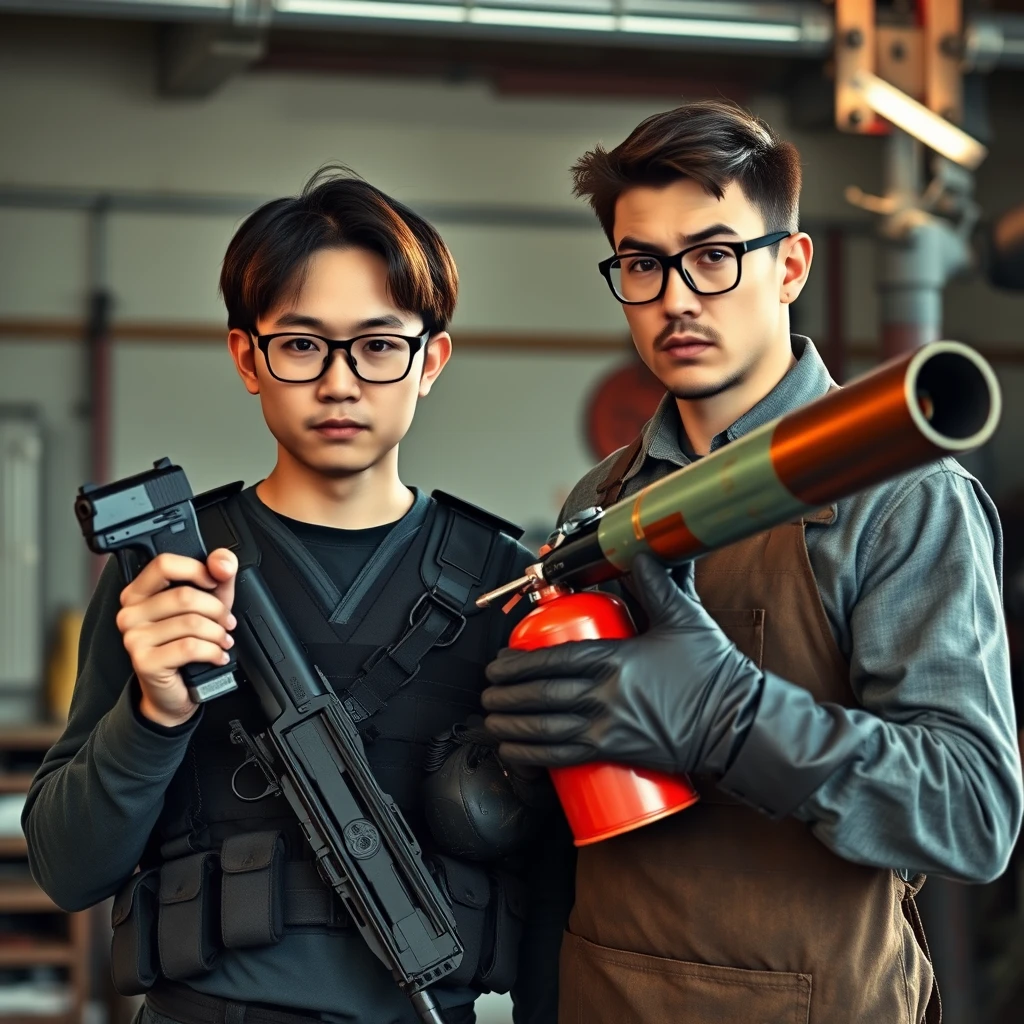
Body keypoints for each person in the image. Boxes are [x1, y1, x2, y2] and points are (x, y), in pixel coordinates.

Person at [480, 100, 1024, 1024]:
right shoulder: (600, 497)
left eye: (714, 255)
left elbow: (969, 812)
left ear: (791, 266)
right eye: (642, 264)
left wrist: (735, 718)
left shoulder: (900, 495)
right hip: (603, 995)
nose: (677, 297)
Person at [23, 170, 563, 1024]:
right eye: (303, 344)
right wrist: (154, 712)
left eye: (379, 346)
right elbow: (66, 866)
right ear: (248, 357)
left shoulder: (508, 584)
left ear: (432, 362)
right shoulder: (167, 570)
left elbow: (559, 883)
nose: (341, 382)